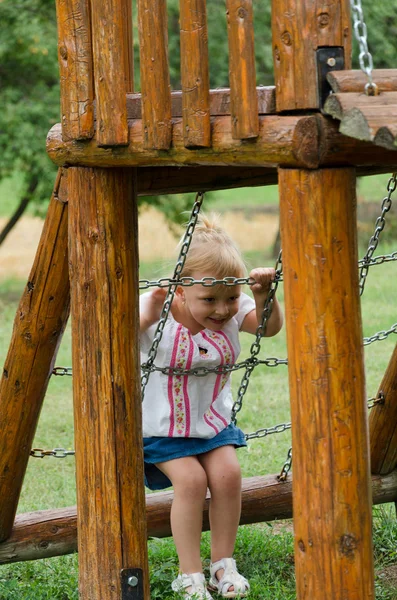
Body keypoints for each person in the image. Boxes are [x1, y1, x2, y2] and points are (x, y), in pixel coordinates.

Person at [140, 214, 283, 599]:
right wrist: (146, 317)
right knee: (191, 482)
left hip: (212, 423)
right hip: (161, 428)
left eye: (230, 297)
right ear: (181, 290)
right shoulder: (157, 309)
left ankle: (223, 564)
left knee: (228, 476)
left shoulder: (234, 310)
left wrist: (263, 295)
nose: (222, 310)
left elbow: (268, 326)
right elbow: (112, 330)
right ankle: (191, 575)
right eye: (209, 300)